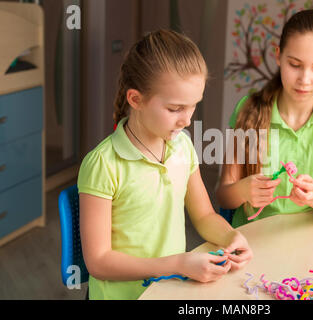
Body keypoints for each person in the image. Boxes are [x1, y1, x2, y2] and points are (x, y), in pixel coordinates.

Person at [78, 29, 252, 300]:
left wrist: (230, 237)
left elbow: (204, 216)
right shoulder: (103, 164)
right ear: (135, 99)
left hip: (169, 291)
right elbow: (98, 261)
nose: (186, 120)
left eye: (193, 106)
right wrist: (178, 264)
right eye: (175, 109)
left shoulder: (182, 147)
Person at [216, 10, 313, 228]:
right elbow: (224, 196)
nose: (305, 79)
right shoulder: (248, 109)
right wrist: (244, 191)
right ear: (278, 55)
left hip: (307, 235)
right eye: (295, 65)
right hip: (252, 236)